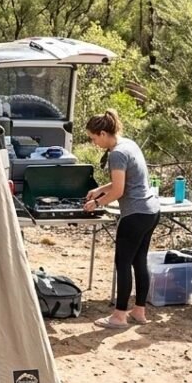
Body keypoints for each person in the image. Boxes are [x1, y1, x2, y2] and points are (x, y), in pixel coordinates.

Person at [82, 109, 161, 329]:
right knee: (139, 261)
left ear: (104, 133)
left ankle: (119, 316)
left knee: (123, 263)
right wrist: (99, 189)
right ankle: (139, 311)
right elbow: (128, 181)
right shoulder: (129, 144)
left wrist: (96, 203)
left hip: (135, 214)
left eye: (94, 137)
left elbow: (119, 191)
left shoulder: (117, 153)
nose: (94, 142)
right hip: (151, 210)